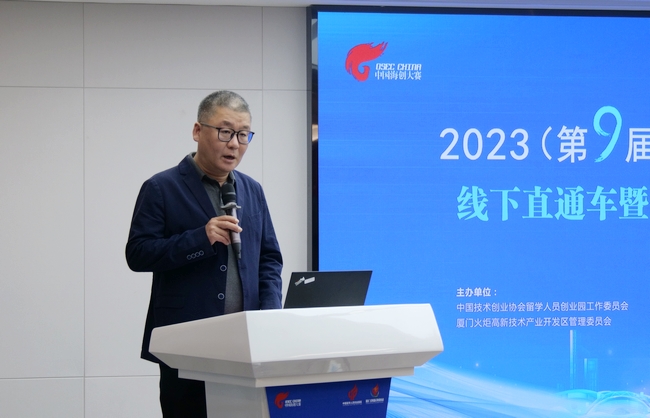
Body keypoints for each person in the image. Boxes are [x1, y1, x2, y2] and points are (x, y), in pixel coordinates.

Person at [125, 90, 283, 417]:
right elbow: (138, 254)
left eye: (243, 134)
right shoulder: (162, 187)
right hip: (186, 344)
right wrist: (200, 238)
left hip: (245, 344)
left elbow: (269, 258)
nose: (234, 144)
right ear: (198, 131)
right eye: (225, 132)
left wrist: (269, 314)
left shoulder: (252, 190)